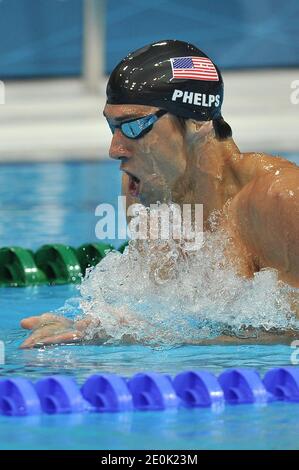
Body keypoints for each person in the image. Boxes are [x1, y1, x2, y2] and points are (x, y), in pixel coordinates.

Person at [20, 39, 299, 348]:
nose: (115, 150)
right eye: (112, 127)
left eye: (134, 126)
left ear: (197, 121)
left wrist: (146, 338)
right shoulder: (144, 194)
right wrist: (96, 329)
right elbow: (168, 313)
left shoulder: (279, 200)